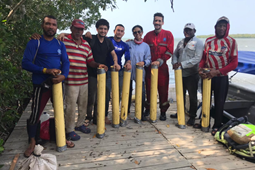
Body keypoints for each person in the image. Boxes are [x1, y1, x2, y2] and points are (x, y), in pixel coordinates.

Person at [22, 15, 71, 157]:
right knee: (36, 113)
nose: (51, 27)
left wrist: (64, 76)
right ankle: (32, 141)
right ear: (43, 25)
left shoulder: (60, 44)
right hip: (41, 84)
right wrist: (45, 70)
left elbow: (66, 62)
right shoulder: (35, 43)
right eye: (48, 24)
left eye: (54, 25)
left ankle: (62, 136)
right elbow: (25, 63)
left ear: (57, 27)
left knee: (60, 111)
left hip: (57, 83)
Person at [63, 19, 108, 141]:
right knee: (70, 106)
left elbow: (90, 61)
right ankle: (69, 130)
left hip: (84, 80)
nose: (78, 31)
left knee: (83, 104)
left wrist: (99, 65)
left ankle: (80, 124)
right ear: (71, 28)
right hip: (70, 81)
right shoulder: (64, 40)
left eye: (81, 29)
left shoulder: (86, 44)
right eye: (76, 28)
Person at [198, 16, 238, 136]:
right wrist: (200, 69)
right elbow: (204, 59)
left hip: (221, 76)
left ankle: (217, 125)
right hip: (208, 76)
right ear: (215, 27)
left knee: (220, 102)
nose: (221, 28)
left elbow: (234, 63)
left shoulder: (231, 42)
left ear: (227, 28)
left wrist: (218, 71)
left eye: (223, 26)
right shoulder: (209, 41)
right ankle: (204, 122)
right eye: (219, 26)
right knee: (206, 99)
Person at [82, 19, 121, 125]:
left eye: (105, 29)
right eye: (101, 29)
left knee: (101, 96)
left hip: (103, 72)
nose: (103, 31)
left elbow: (113, 54)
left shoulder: (108, 41)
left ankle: (97, 117)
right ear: (97, 29)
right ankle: (88, 116)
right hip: (91, 71)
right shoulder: (91, 38)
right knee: (91, 96)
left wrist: (116, 63)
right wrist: (62, 34)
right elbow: (76, 36)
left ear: (107, 30)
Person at [170, 23, 203, 126]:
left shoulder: (198, 43)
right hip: (180, 73)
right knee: (180, 94)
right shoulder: (180, 42)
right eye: (185, 30)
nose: (187, 32)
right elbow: (175, 54)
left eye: (189, 30)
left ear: (194, 31)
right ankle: (180, 111)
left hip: (192, 74)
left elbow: (197, 58)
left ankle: (192, 116)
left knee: (192, 96)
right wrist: (175, 63)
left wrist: (182, 64)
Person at [143, 12, 174, 121]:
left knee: (163, 90)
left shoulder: (168, 35)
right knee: (149, 89)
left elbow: (170, 51)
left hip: (162, 69)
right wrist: (132, 42)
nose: (157, 22)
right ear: (153, 22)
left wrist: (160, 61)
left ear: (162, 22)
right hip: (149, 68)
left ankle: (163, 111)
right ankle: (148, 109)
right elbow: (141, 46)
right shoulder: (148, 35)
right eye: (155, 20)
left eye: (159, 21)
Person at [126, 25, 151, 121]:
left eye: (139, 31)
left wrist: (144, 63)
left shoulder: (146, 46)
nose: (137, 34)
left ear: (142, 32)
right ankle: (126, 112)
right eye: (135, 32)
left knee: (141, 92)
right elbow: (117, 44)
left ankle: (140, 113)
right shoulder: (128, 44)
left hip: (140, 72)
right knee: (127, 92)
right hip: (128, 72)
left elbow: (148, 59)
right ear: (133, 34)